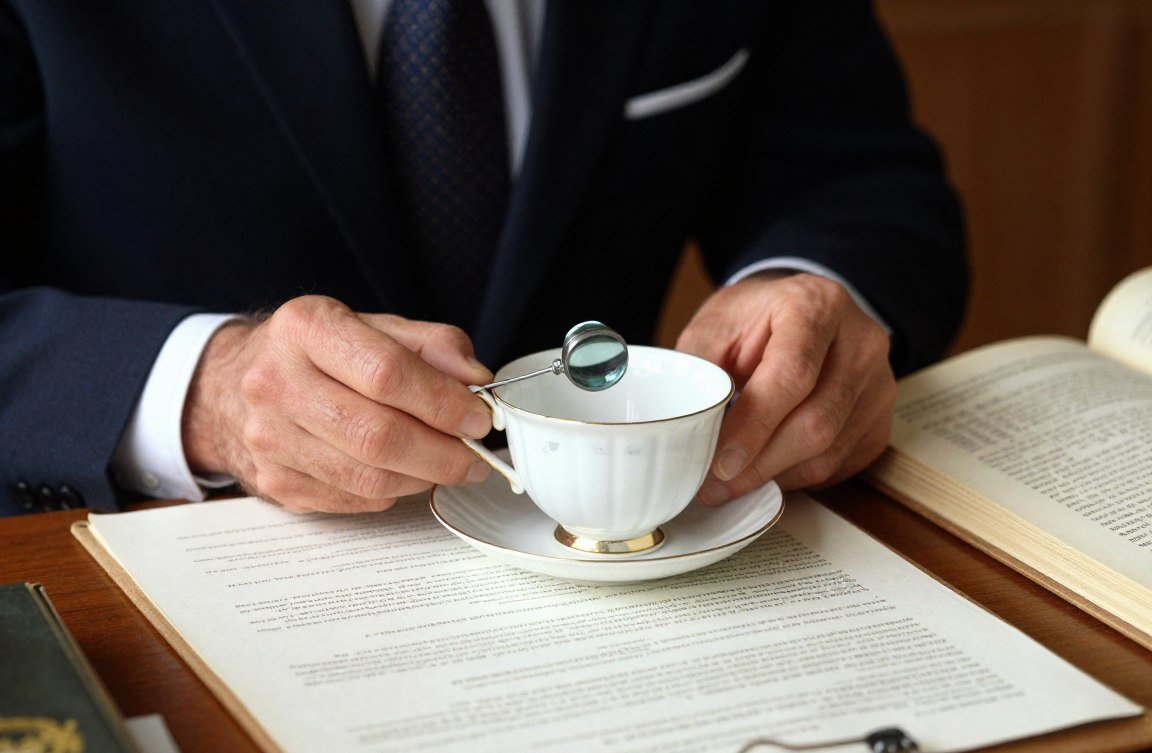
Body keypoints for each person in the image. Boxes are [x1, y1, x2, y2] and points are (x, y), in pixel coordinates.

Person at [0, 0, 966, 517]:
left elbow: (859, 178)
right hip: (169, 567)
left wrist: (814, 292)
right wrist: (205, 393)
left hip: (640, 592)